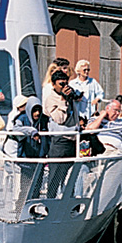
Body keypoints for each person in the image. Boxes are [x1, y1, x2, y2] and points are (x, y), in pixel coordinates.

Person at [42, 68, 83, 196]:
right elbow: (60, 119)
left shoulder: (68, 96)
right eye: (61, 84)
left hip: (73, 140)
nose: (64, 87)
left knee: (69, 176)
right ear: (53, 84)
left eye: (66, 83)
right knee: (55, 176)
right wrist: (63, 100)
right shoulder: (51, 99)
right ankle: (50, 204)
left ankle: (68, 202)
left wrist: (72, 96)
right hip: (60, 141)